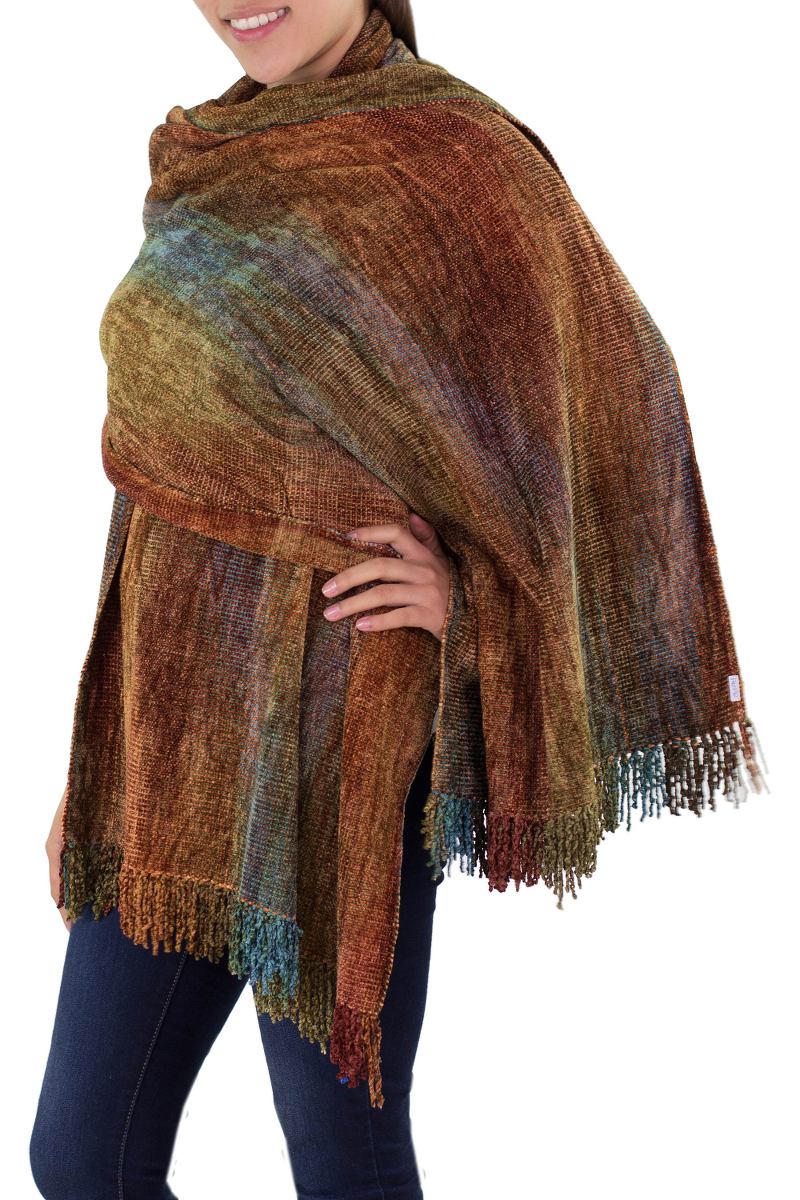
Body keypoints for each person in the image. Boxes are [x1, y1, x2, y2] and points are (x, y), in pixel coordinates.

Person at [30, 5, 449, 1199]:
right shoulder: (205, 158)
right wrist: (103, 762)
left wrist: (460, 596)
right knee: (84, 1158)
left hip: (345, 748)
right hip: (177, 754)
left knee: (343, 1163)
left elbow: (602, 450)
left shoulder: (452, 163)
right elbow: (162, 487)